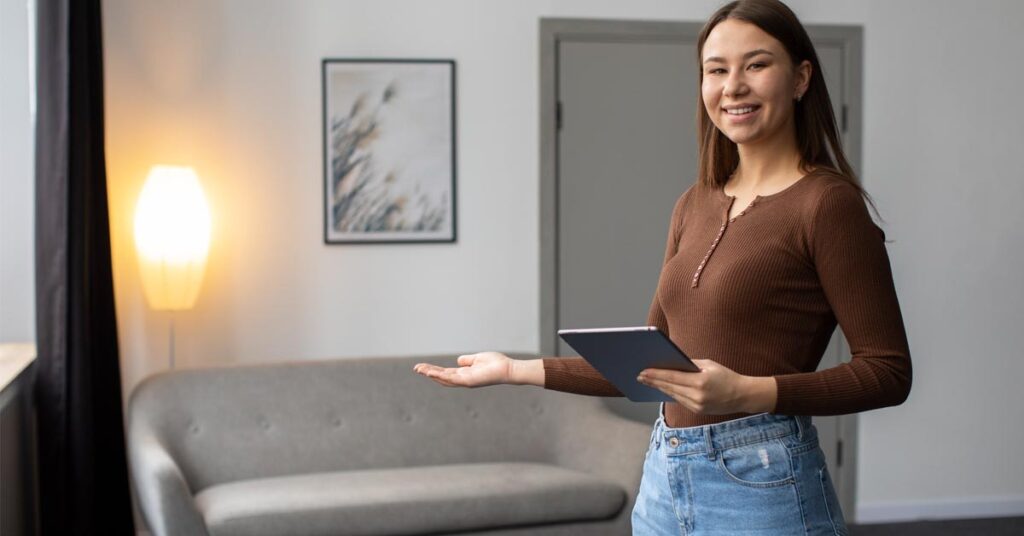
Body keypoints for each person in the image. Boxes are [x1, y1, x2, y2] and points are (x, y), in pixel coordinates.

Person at [413, 0, 912, 533]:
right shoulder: (693, 203)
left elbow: (888, 372)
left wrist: (751, 391)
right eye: (716, 70)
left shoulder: (826, 204)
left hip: (761, 480)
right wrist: (515, 370)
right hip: (664, 475)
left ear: (800, 78)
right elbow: (649, 361)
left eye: (757, 64)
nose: (733, 86)